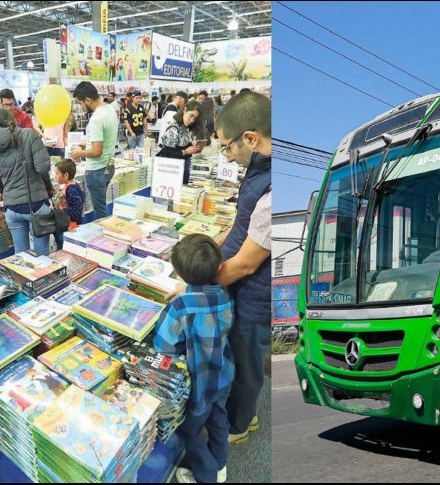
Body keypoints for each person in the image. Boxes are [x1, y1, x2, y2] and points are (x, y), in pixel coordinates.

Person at [214, 92, 272, 444]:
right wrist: (212, 245)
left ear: (249, 138)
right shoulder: (259, 166)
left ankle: (239, 426)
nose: (227, 156)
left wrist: (197, 278)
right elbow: (241, 222)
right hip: (241, 287)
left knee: (247, 363)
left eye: (227, 147)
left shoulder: (272, 187)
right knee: (240, 353)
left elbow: (247, 264)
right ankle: (243, 413)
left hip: (255, 295)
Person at [154, 234, 234, 484]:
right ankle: (220, 464)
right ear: (219, 268)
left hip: (198, 385)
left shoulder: (180, 306)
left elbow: (163, 345)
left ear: (178, 273)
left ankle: (207, 474)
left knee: (189, 429)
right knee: (219, 420)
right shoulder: (225, 296)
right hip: (223, 375)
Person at [0, 109, 53, 256]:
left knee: (20, 254)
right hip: (35, 204)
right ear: (13, 119)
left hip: (11, 207)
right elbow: (43, 168)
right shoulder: (28, 135)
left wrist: (10, 192)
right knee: (42, 254)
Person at [69, 81, 118, 220]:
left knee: (100, 210)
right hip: (108, 166)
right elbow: (104, 140)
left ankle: (105, 232)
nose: (81, 107)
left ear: (88, 100)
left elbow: (97, 152)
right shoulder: (110, 110)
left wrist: (78, 153)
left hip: (96, 170)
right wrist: (86, 145)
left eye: (80, 103)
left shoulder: (96, 118)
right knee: (102, 204)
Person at [157, 101, 205, 185]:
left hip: (182, 167)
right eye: (191, 115)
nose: (192, 120)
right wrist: (186, 151)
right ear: (185, 110)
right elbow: (167, 153)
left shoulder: (185, 127)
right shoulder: (174, 129)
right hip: (173, 170)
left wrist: (193, 146)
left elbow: (183, 143)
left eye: (194, 118)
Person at [53, 158, 84, 250]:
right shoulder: (72, 185)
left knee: (66, 247)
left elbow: (77, 210)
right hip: (69, 224)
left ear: (66, 175)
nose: (55, 176)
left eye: (57, 174)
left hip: (70, 226)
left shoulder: (71, 189)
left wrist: (62, 210)